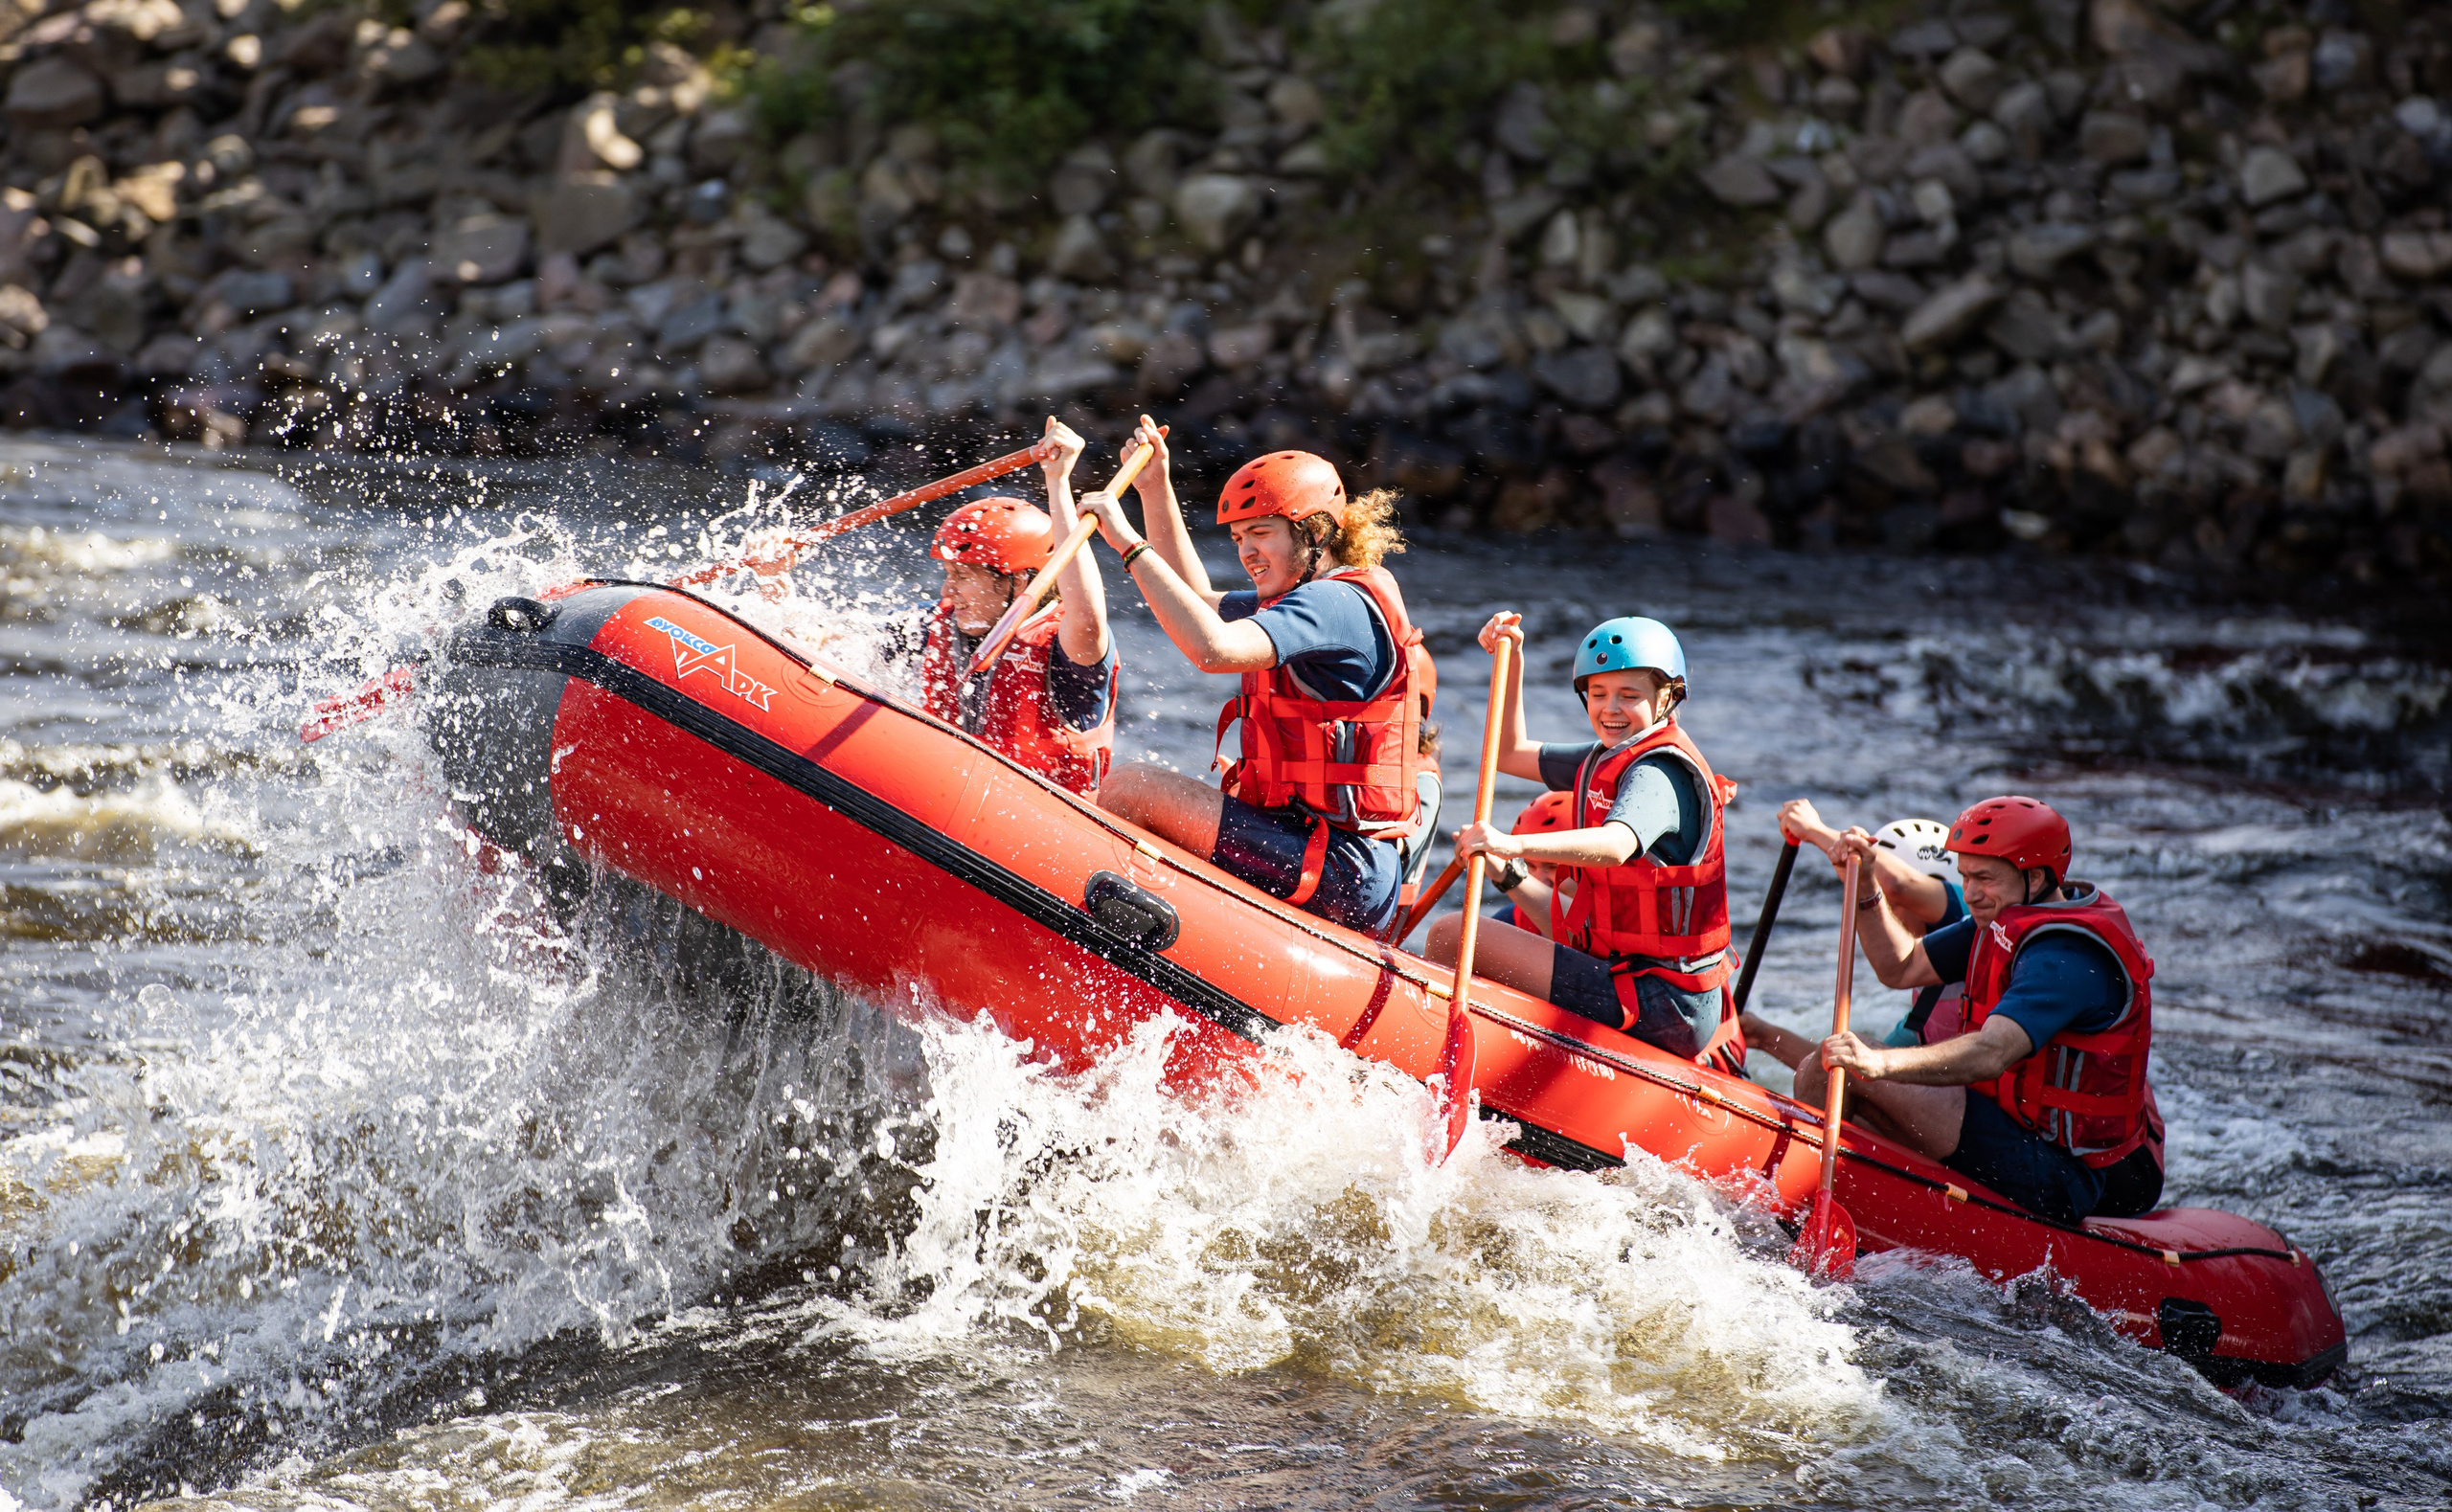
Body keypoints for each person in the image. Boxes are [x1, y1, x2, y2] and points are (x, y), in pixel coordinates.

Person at [1078, 417, 1437, 936]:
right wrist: (1155, 488)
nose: (1246, 552)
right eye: (1239, 537)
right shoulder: (1298, 597)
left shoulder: (1334, 604)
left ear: (1314, 532)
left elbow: (1212, 649)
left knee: (1133, 788)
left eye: (1261, 534)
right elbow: (1196, 602)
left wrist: (1128, 544)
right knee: (1137, 788)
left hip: (1342, 866)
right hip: (1305, 841)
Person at [1805, 796, 2165, 1226]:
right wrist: (1865, 886)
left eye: (1984, 878)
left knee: (1846, 1066)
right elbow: (1899, 967)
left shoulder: (2066, 955)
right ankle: (1811, 1198)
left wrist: (1878, 1063)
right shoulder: (2000, 920)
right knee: (1836, 1069)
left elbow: (1993, 1052)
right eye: (1964, 877)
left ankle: (1798, 1199)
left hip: (2064, 1173)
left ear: (2034, 876)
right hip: (2008, 1127)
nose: (1970, 894)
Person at [1427, 612, 1746, 1076]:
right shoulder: (1604, 759)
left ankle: (1451, 1065)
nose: (1610, 709)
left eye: (1629, 696)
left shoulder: (1660, 773)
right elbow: (1508, 753)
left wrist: (1514, 847)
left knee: (1450, 936)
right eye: (1598, 694)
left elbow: (1618, 844)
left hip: (1663, 1001)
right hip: (1627, 972)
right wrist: (1512, 658)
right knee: (1509, 922)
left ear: (1667, 699)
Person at [914, 417, 1116, 796]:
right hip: (944, 797)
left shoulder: (1068, 647)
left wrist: (1058, 485)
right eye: (947, 573)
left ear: (1019, 579)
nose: (947, 589)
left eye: (962, 575)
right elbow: (825, 639)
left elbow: (1088, 618)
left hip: (1034, 822)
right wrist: (776, 581)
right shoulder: (937, 621)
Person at [1742, 808, 1966, 1067]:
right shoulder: (1924, 999)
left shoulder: (1973, 919)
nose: (1878, 914)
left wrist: (1813, 830)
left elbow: (1897, 883)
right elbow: (1846, 1072)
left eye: (1885, 902)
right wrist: (1761, 1035)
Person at [1486, 790, 1575, 937]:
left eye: (1553, 867)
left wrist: (1508, 877)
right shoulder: (1512, 920)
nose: (1539, 880)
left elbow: (1578, 939)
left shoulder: (1618, 916)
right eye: (1529, 866)